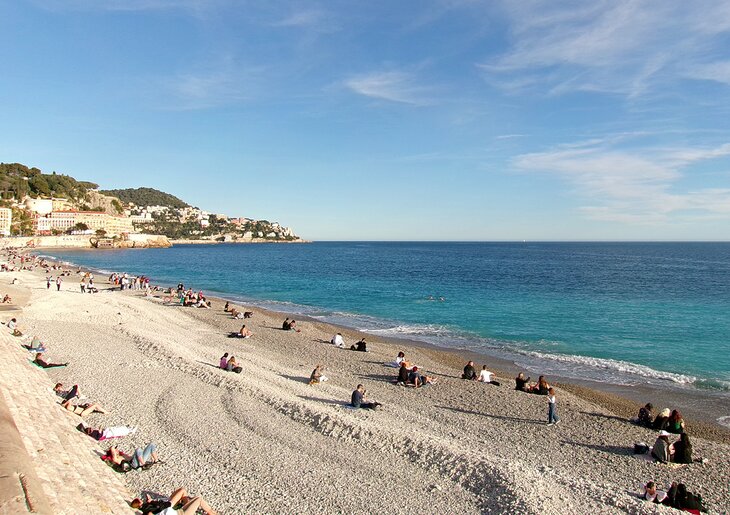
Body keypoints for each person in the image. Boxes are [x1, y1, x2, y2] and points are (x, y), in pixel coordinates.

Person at [130, 487, 217, 515]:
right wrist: (152, 502)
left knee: (196, 499)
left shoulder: (148, 508)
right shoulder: (148, 509)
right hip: (180, 513)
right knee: (198, 499)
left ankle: (212, 512)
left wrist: (151, 501)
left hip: (177, 511)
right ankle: (212, 513)